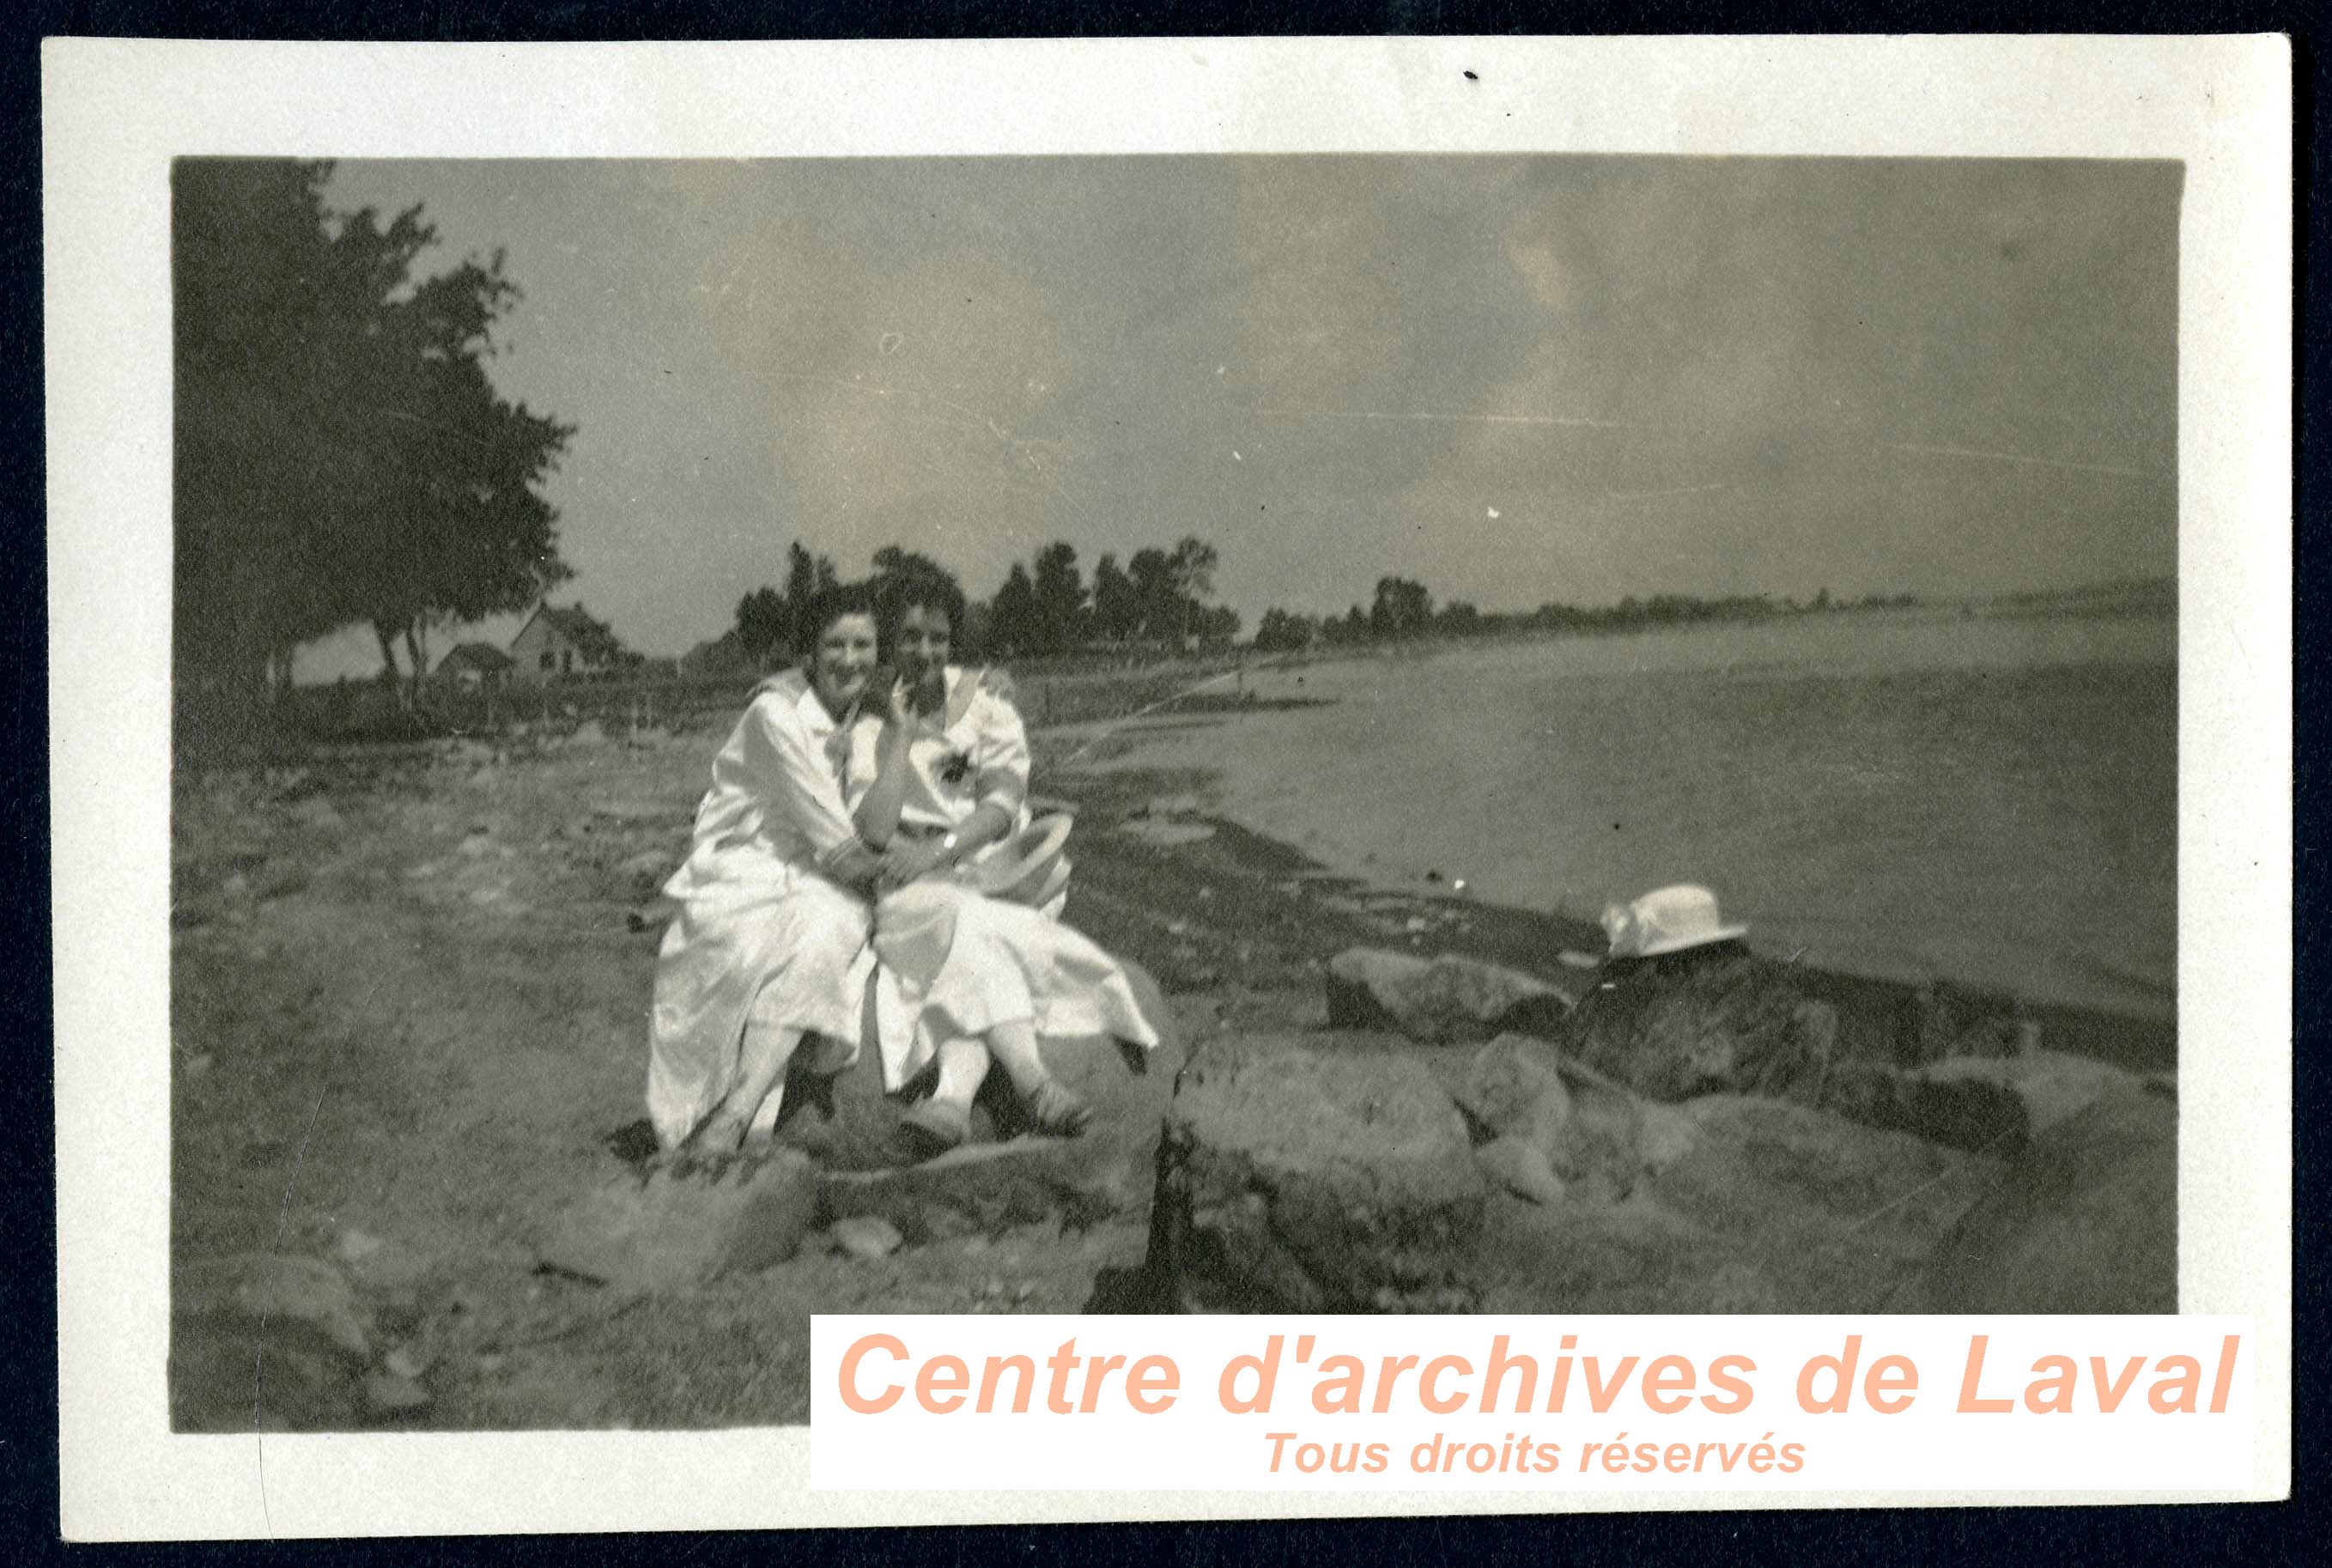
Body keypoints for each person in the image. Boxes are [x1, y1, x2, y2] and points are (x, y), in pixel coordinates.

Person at [850, 574, 1163, 1153]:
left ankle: (952, 1098)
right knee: (970, 925)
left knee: (970, 921)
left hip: (985, 871)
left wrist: (941, 853)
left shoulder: (986, 708)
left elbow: (1000, 803)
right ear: (889, 641)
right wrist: (897, 737)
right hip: (907, 884)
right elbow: (873, 826)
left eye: (939, 638)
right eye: (910, 637)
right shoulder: (868, 721)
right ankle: (1034, 1082)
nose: (925, 652)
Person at [644, 584, 890, 1155]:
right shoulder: (775, 713)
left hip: (810, 872)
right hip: (744, 868)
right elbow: (844, 848)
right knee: (818, 926)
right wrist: (898, 887)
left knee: (829, 926)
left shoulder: (863, 717)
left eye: (863, 645)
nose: (849, 660)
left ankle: (739, 1113)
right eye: (834, 645)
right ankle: (722, 1114)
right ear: (808, 653)